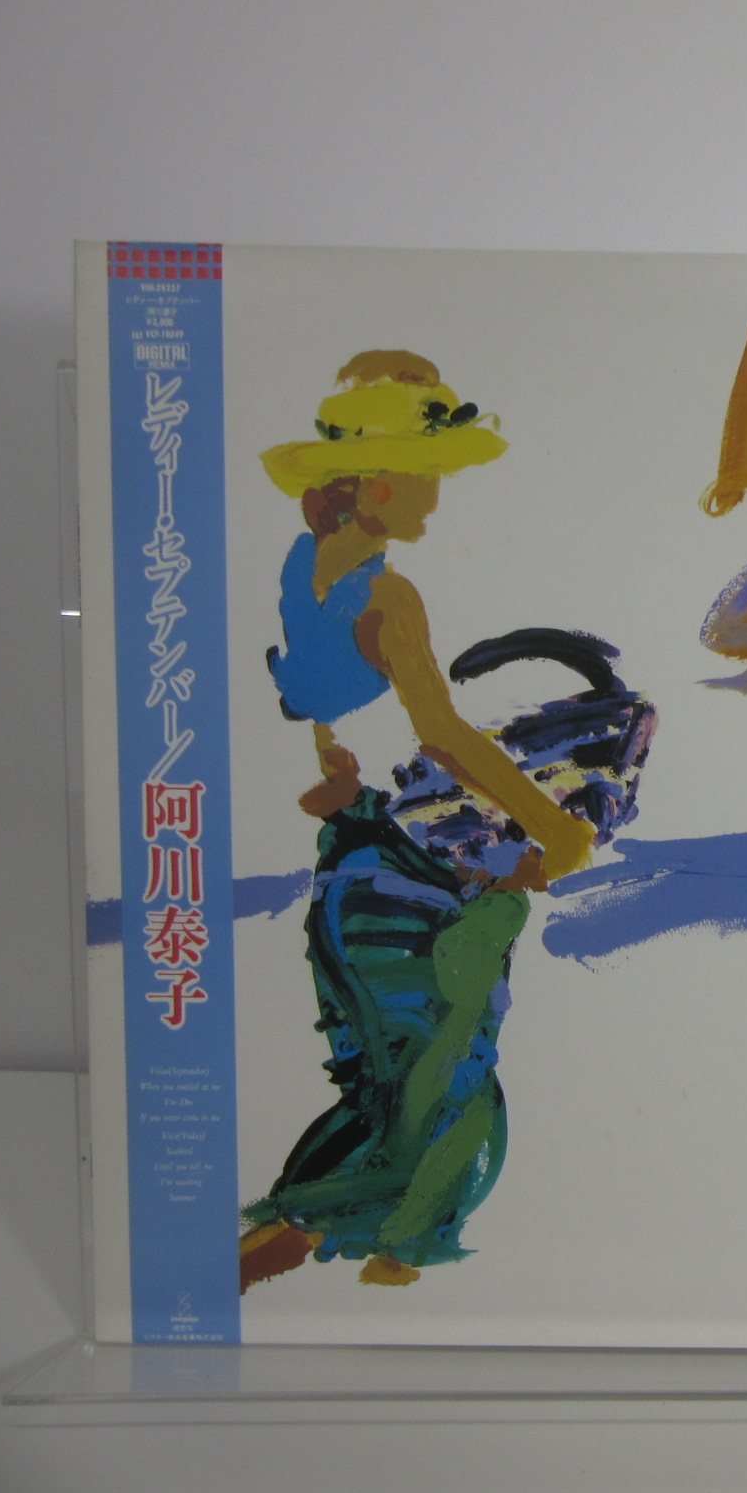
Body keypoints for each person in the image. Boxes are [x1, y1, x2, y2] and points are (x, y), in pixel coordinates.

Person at [237, 351, 596, 1291]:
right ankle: (378, 1256)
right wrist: (556, 829)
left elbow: (330, 720)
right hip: (411, 873)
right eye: (429, 472)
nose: (439, 493)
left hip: (347, 872)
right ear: (377, 482)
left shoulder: (304, 570)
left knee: (384, 1085)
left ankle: (306, 1245)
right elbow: (442, 734)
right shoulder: (388, 596)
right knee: (450, 1080)